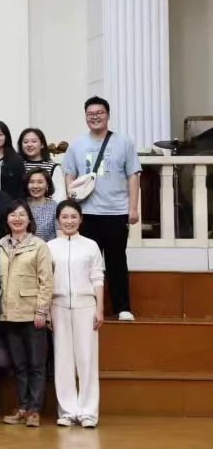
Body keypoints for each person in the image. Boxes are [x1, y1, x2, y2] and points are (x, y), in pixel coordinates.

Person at [63, 96, 141, 321]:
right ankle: (88, 306)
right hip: (86, 213)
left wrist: (133, 208)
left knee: (116, 261)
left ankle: (122, 307)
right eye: (90, 114)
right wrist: (71, 203)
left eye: (99, 113)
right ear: (85, 117)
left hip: (116, 212)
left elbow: (133, 176)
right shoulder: (77, 144)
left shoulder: (124, 142)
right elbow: (69, 174)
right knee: (86, 261)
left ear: (107, 115)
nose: (95, 117)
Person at [48, 200, 105, 429]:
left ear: (81, 219)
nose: (69, 221)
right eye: (64, 217)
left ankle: (88, 412)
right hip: (58, 305)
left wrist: (99, 308)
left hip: (86, 305)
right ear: (58, 220)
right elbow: (45, 280)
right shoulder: (50, 246)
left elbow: (98, 277)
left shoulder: (91, 246)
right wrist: (47, 310)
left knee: (87, 359)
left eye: (73, 217)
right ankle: (67, 411)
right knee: (63, 360)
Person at [0, 200, 53, 428]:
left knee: (36, 364)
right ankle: (22, 407)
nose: (17, 218)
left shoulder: (39, 246)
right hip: (8, 314)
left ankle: (34, 410)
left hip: (32, 315)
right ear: (7, 219)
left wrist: (42, 311)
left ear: (29, 219)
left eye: (22, 214)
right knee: (18, 365)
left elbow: (46, 282)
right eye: (12, 214)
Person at [0, 121, 27, 199]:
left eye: (0, 134)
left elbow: (21, 188)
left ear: (6, 137)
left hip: (11, 204)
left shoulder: (16, 161)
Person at [25, 168, 59, 242]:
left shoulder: (55, 207)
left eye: (40, 182)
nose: (35, 186)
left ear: (47, 184)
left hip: (48, 248)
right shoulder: (22, 205)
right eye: (31, 182)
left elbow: (59, 235)